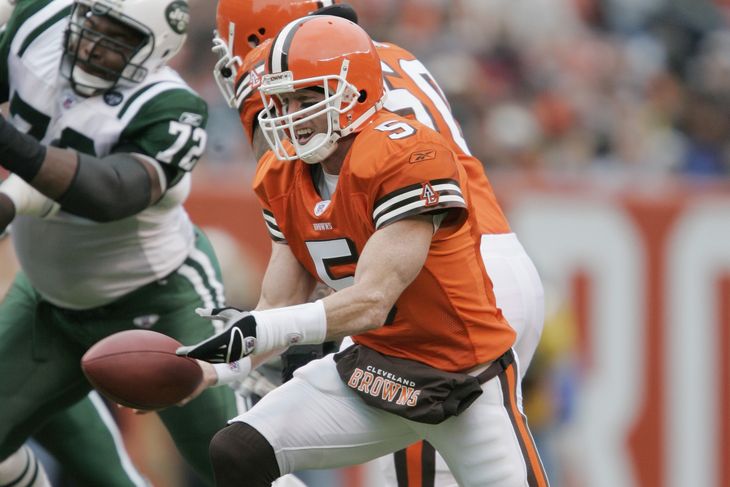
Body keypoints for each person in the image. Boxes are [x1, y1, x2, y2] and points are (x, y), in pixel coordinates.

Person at [179, 15, 549, 487]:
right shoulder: (279, 172)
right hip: (373, 369)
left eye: (306, 99)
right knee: (238, 450)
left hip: (463, 380)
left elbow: (374, 300)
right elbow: (279, 303)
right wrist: (207, 371)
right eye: (282, 100)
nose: (290, 114)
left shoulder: (407, 155)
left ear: (354, 94)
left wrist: (257, 329)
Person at [0, 0, 241, 485]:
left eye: (119, 39)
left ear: (157, 51)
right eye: (92, 24)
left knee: (235, 459)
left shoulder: (171, 107)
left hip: (160, 300)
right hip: (47, 299)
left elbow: (106, 194)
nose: (95, 45)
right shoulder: (40, 24)